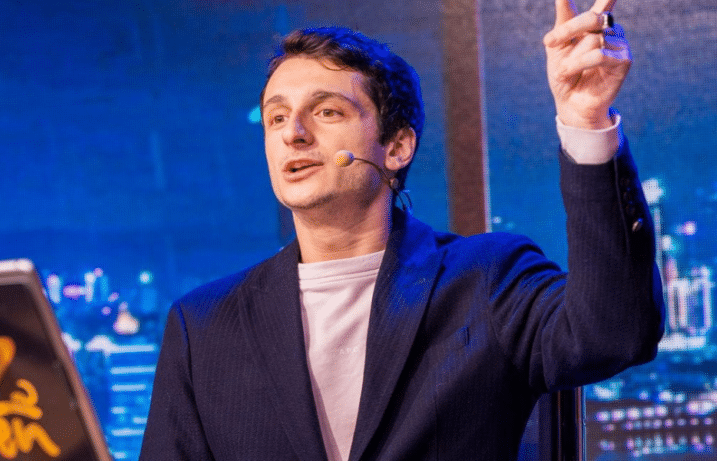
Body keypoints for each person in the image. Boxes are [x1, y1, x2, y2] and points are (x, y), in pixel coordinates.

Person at [140, 0, 664, 459]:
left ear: (396, 147)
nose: (293, 134)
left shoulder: (487, 280)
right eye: (276, 118)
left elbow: (615, 333)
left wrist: (586, 120)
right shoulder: (203, 326)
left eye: (326, 111)